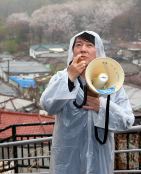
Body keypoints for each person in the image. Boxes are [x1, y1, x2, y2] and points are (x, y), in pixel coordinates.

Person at [40, 31, 134, 174]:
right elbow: (47, 105)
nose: (83, 49)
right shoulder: (61, 78)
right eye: (78, 45)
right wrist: (69, 77)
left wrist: (102, 107)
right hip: (67, 161)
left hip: (100, 159)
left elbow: (127, 121)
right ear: (73, 52)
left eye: (89, 45)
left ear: (98, 52)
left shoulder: (111, 82)